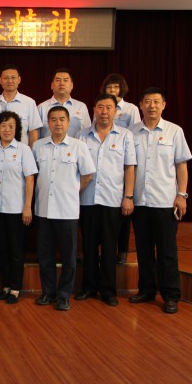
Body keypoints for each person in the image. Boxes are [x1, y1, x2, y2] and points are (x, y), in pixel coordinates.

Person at [129, 87, 192, 314]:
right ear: (141, 105)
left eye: (156, 102)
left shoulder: (174, 131)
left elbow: (181, 165)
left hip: (165, 201)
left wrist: (181, 195)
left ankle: (171, 295)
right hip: (140, 201)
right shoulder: (131, 132)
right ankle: (147, 290)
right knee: (144, 250)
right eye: (147, 101)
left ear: (164, 105)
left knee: (167, 252)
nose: (152, 106)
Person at [75, 94, 136, 306]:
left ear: (115, 111)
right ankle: (89, 287)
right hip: (87, 199)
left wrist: (128, 196)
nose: (104, 111)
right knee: (89, 246)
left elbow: (129, 168)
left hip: (113, 199)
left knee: (110, 247)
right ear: (94, 109)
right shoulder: (82, 136)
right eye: (100, 107)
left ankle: (108, 290)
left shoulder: (125, 136)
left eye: (109, 107)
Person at [32, 106, 95, 311]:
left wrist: (72, 190)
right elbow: (32, 175)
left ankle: (64, 295)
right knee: (45, 255)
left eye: (62, 119)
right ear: (48, 123)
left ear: (68, 123)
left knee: (69, 256)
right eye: (53, 119)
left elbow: (87, 175)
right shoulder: (38, 146)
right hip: (43, 209)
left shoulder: (78, 146)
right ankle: (48, 292)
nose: (57, 123)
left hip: (67, 210)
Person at [0, 111, 37, 305]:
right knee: (1, 250)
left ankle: (16, 288)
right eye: (3, 125)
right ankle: (5, 286)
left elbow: (30, 179)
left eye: (11, 126)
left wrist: (27, 206)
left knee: (16, 251)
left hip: (16, 209)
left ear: (16, 129)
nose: (7, 129)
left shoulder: (24, 150)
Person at [99, 74, 141, 264]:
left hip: (123, 158)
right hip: (105, 162)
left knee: (123, 213)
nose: (113, 90)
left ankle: (122, 249)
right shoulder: (101, 106)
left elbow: (135, 133)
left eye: (116, 87)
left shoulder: (131, 109)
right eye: (109, 87)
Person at [0, 64, 42, 146]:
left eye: (13, 77)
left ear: (19, 80)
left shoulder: (29, 102)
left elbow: (33, 132)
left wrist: (31, 152)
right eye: (6, 78)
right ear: (0, 80)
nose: (10, 81)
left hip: (21, 151)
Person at [38, 68, 91, 139]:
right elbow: (36, 135)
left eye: (65, 80)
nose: (62, 83)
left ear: (71, 85)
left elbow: (87, 133)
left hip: (75, 146)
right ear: (52, 85)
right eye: (58, 80)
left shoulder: (81, 107)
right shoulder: (42, 107)